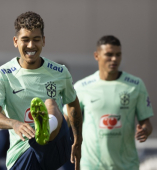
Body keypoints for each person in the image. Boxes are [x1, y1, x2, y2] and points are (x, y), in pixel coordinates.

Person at [0, 11, 83, 170]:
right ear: (15, 41)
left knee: (51, 103)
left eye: (36, 39)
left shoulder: (60, 72)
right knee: (49, 105)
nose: (31, 45)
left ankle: (46, 126)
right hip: (23, 151)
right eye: (25, 40)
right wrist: (14, 124)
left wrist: (78, 140)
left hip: (56, 147)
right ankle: (41, 131)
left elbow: (73, 104)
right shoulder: (3, 74)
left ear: (43, 41)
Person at [63, 35, 154, 170]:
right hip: (91, 165)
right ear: (97, 55)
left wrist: (145, 131)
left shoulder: (135, 85)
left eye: (118, 55)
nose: (114, 59)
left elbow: (146, 123)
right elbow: (65, 120)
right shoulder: (82, 87)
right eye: (109, 54)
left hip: (126, 165)